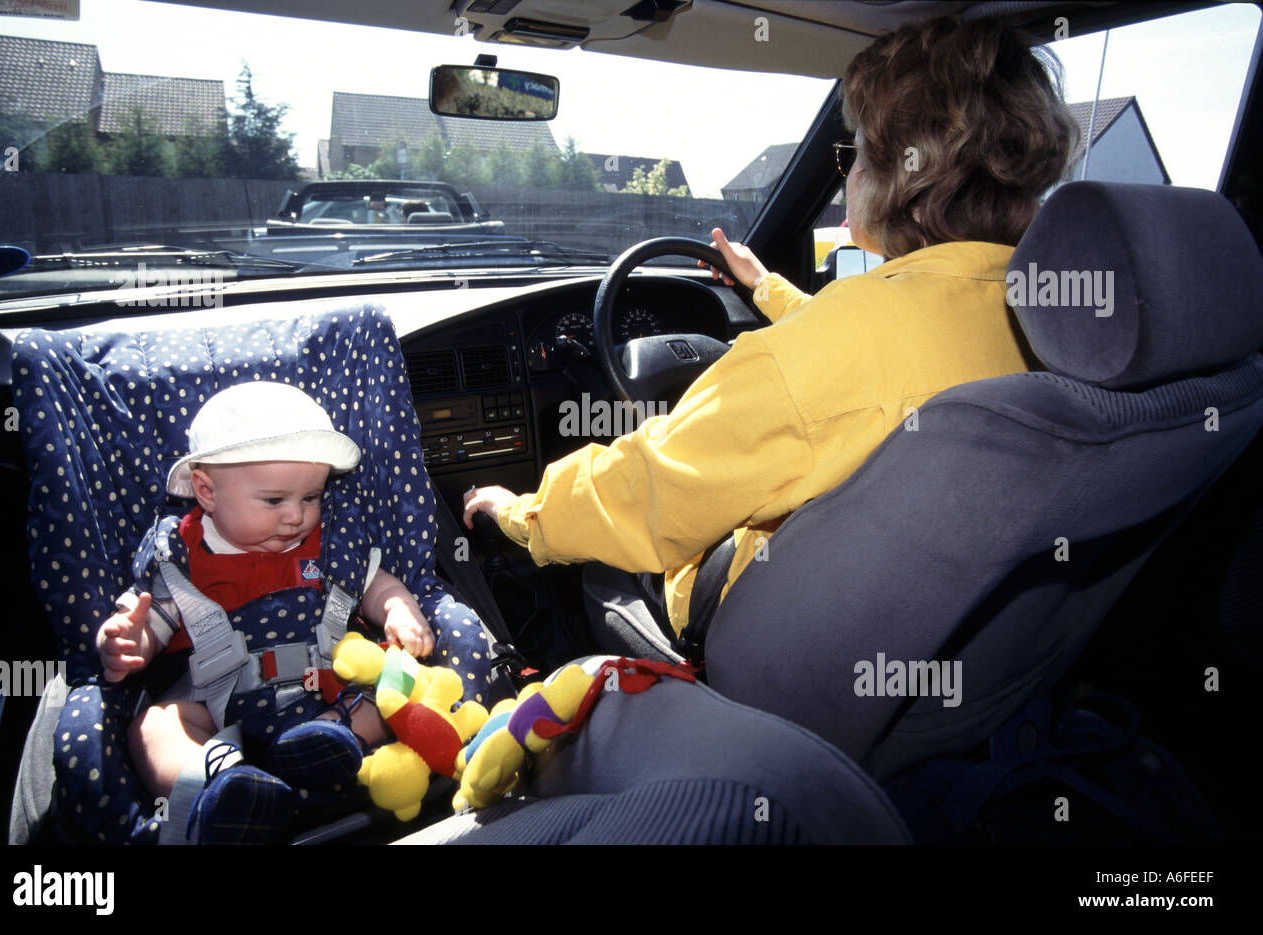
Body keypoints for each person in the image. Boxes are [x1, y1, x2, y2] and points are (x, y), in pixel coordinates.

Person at [462, 15, 1078, 644]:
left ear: (901, 172)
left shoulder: (819, 354)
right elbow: (879, 358)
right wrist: (764, 288)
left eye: (857, 150)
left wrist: (521, 515)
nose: (850, 172)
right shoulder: (1060, 321)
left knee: (603, 566)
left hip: (788, 645)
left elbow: (649, 489)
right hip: (964, 638)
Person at [95, 381, 468, 840]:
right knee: (151, 728)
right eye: (275, 501)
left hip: (327, 690)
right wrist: (128, 641)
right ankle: (221, 788)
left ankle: (331, 744)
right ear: (207, 492)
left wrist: (397, 606)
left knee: (387, 697)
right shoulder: (182, 555)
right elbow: (149, 617)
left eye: (310, 498)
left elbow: (375, 583)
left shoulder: (331, 542)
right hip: (217, 708)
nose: (296, 516)